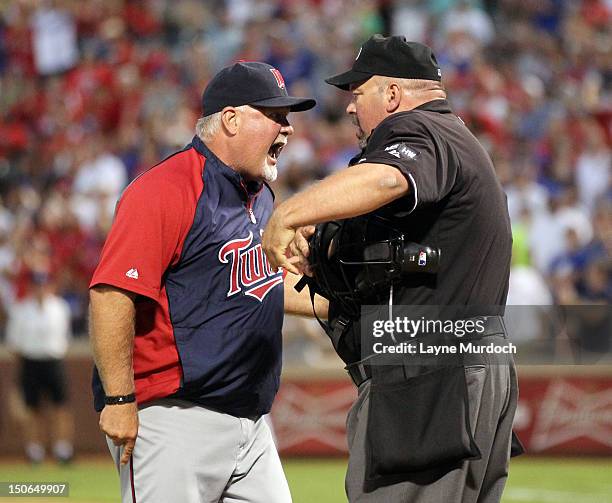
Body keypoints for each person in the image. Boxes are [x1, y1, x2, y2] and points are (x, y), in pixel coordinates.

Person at [263, 35, 519, 503]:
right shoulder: (453, 139)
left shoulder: (422, 130)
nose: (350, 109)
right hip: (465, 361)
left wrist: (289, 214)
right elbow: (369, 296)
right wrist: (261, 291)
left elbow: (386, 175)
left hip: (433, 370)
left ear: (393, 95)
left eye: (357, 94)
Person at [89, 61, 318, 503]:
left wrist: (353, 303)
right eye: (274, 115)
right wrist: (119, 399)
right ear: (230, 119)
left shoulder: (260, 197)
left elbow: (267, 284)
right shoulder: (166, 188)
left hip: (250, 422)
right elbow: (112, 293)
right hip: (173, 416)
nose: (287, 129)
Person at [6, 270, 74, 464]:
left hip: (54, 360)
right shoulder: (21, 310)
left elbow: (64, 337)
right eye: (36, 285)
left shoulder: (60, 307)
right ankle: (35, 450)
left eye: (43, 285)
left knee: (60, 406)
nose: (40, 289)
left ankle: (63, 449)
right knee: (32, 408)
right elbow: (15, 344)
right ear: (30, 287)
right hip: (30, 361)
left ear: (49, 286)